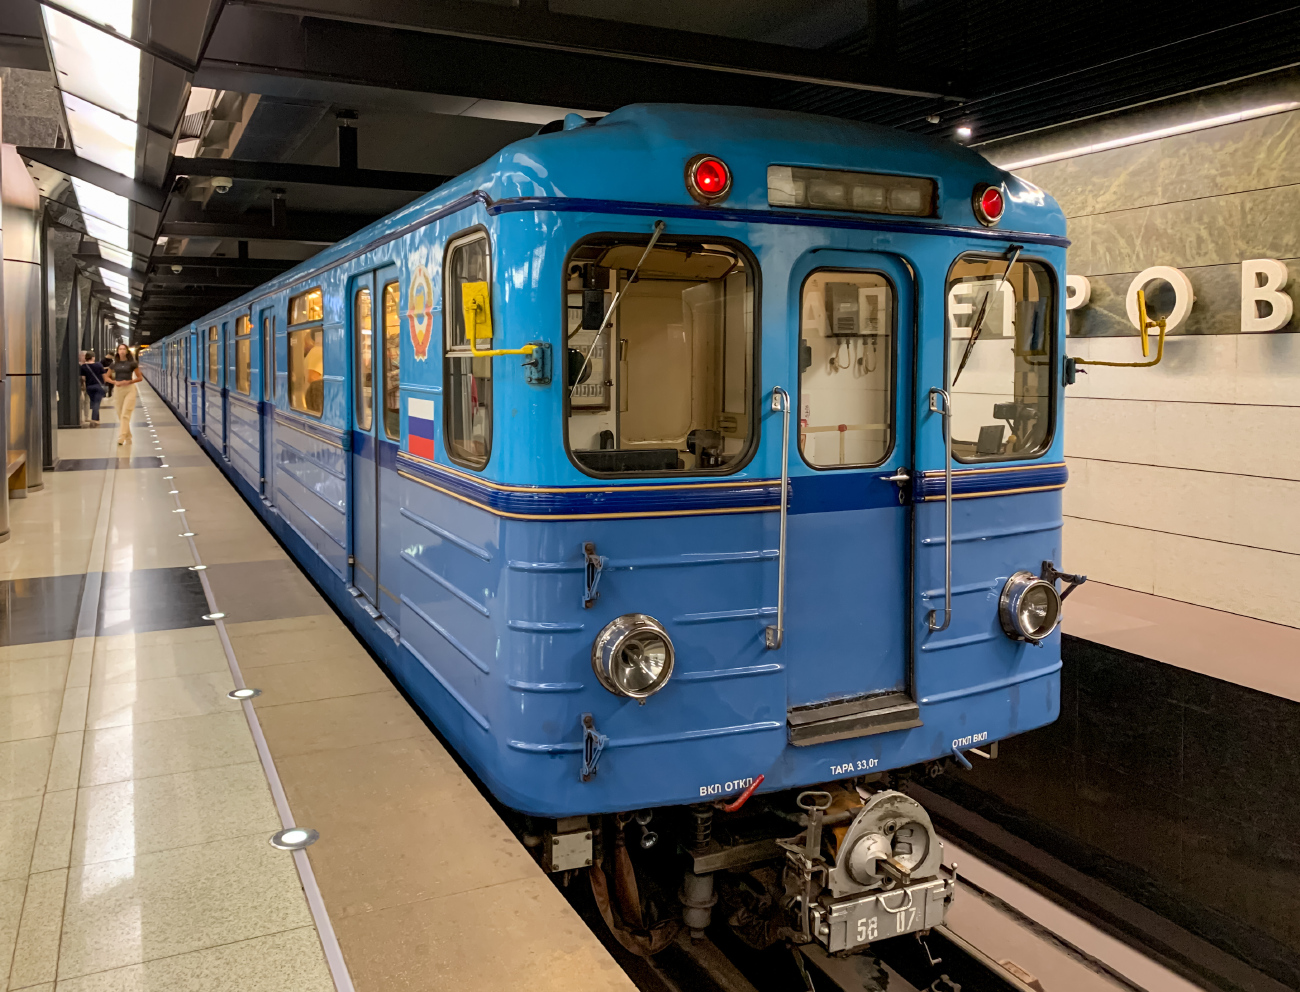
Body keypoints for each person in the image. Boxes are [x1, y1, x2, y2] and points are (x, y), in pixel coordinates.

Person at [103, 344, 143, 445]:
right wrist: (115, 382)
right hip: (118, 389)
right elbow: (106, 377)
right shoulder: (114, 364)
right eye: (120, 349)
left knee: (126, 413)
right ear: (117, 351)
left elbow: (140, 377)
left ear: (127, 351)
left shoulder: (132, 363)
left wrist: (129, 382)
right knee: (120, 414)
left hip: (129, 389)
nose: (122, 351)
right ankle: (128, 435)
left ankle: (121, 437)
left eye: (123, 349)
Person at [78, 351, 107, 426]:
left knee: (94, 403)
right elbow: (104, 377)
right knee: (96, 404)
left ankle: (97, 420)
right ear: (93, 357)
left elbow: (83, 378)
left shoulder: (83, 367)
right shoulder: (98, 365)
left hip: (89, 387)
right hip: (98, 386)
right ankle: (93, 420)